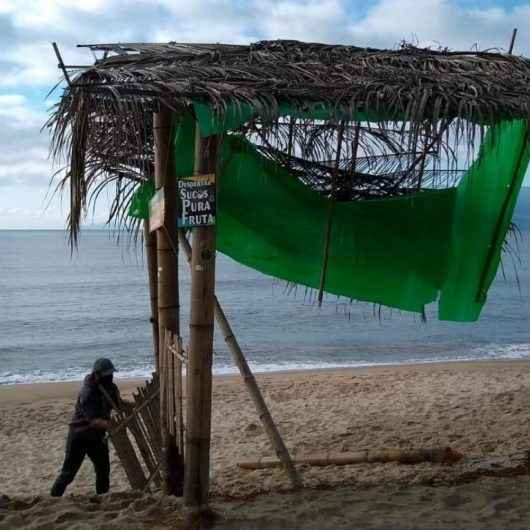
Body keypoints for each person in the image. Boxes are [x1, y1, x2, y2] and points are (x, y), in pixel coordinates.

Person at [50, 358, 129, 496]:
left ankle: (102, 499)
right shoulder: (88, 392)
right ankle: (53, 499)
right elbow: (93, 420)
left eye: (111, 374)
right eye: (107, 374)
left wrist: (131, 406)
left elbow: (118, 404)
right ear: (97, 375)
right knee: (68, 473)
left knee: (103, 471)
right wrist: (110, 424)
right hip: (79, 436)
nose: (110, 377)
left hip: (97, 437)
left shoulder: (111, 387)